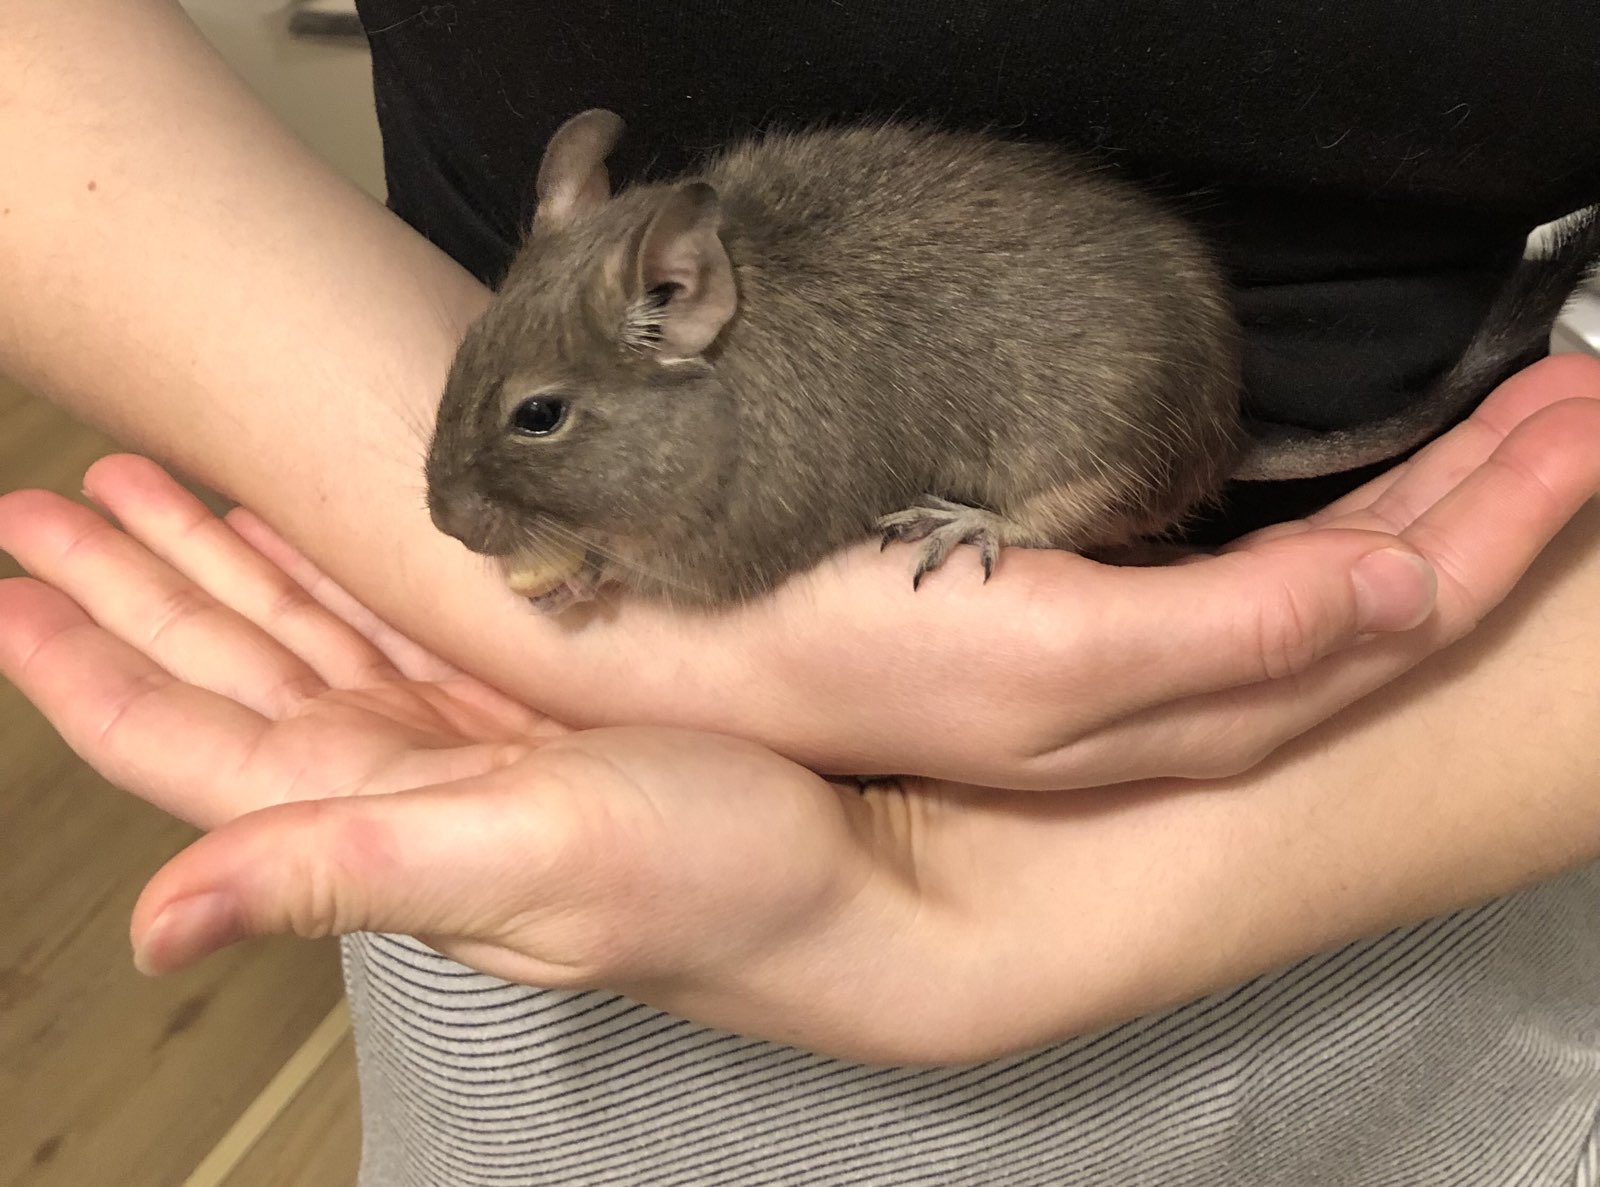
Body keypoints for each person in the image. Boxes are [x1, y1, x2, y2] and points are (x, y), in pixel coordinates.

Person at [1, 1, 1598, 1183]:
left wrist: (1004, 906)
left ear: (678, 306)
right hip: (526, 794)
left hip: (1456, 772)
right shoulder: (634, 335)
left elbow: (740, 553)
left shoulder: (731, 431)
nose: (467, 498)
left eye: (540, 423)